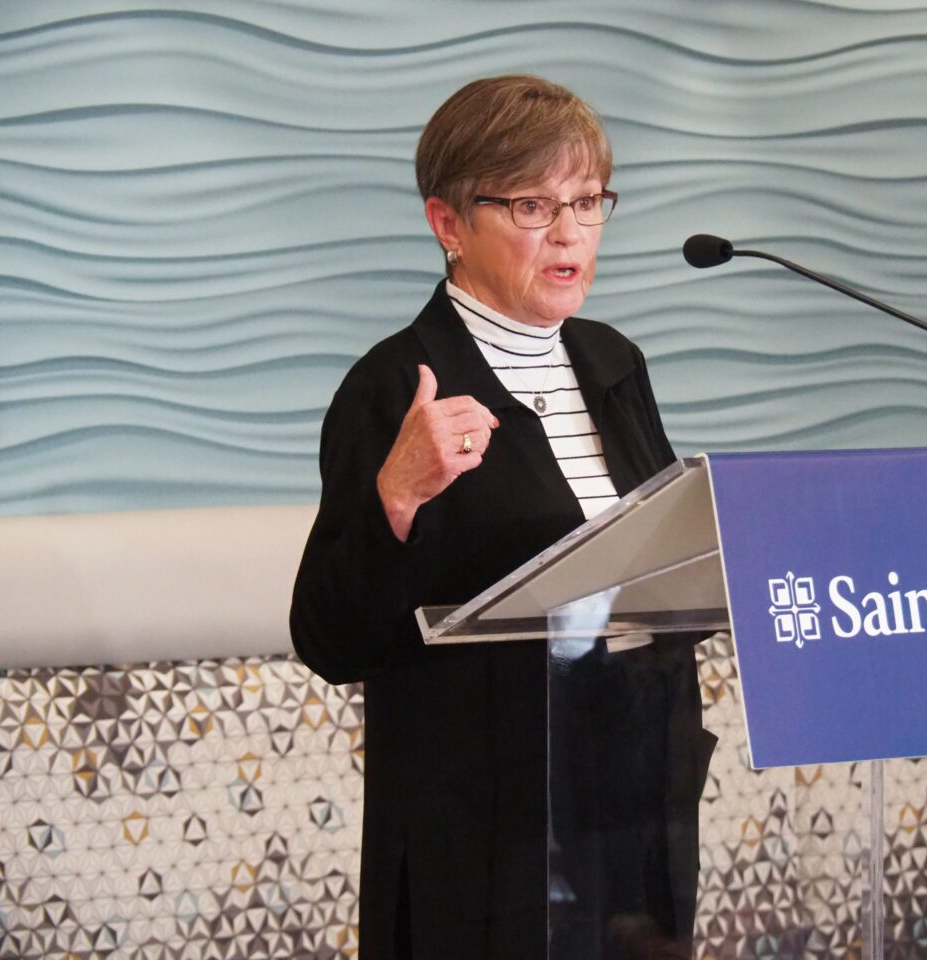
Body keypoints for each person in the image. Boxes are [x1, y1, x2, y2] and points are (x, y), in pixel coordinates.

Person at [290, 75, 714, 959]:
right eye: (532, 205)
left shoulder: (612, 362)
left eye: (587, 201)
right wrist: (397, 497)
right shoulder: (394, 386)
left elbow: (660, 569)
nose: (569, 232)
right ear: (448, 223)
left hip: (634, 800)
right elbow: (329, 637)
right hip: (485, 841)